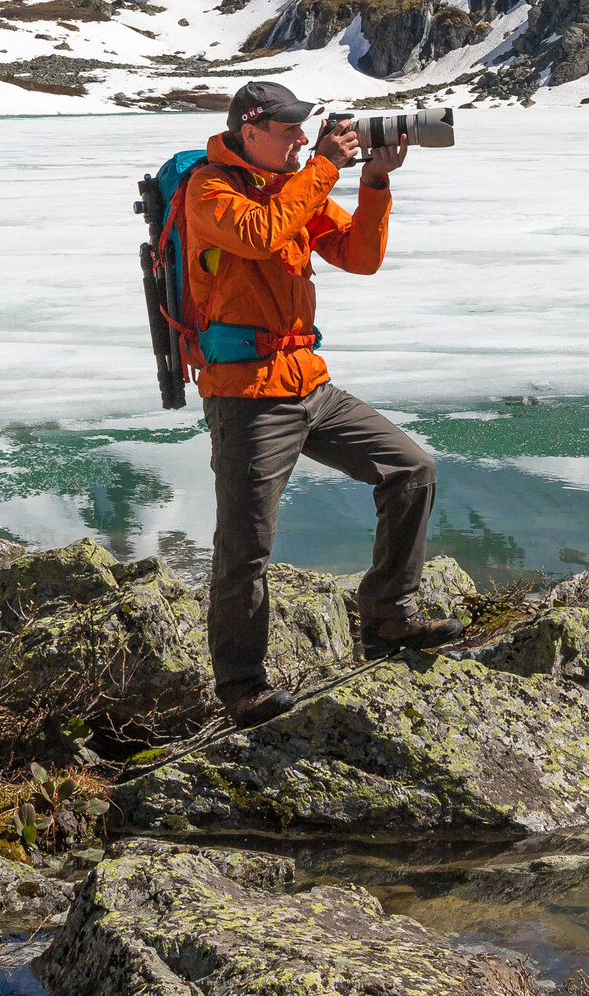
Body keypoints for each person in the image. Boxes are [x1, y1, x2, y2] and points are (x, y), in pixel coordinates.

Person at [183, 80, 465, 728]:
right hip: (247, 396)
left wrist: (372, 184)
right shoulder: (210, 190)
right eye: (287, 130)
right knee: (245, 546)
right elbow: (258, 233)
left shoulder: (296, 181)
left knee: (410, 468)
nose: (301, 139)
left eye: (303, 130)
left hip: (309, 384)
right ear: (249, 130)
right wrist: (325, 169)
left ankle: (389, 613)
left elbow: (360, 256)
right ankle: (242, 684)